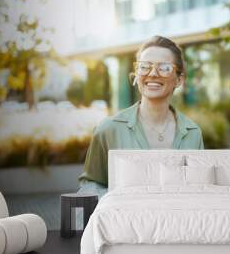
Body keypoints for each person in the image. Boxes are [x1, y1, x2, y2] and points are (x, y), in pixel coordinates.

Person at [78, 35, 204, 198]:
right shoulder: (108, 129)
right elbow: (90, 186)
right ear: (137, 74)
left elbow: (199, 188)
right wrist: (118, 201)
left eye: (164, 68)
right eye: (145, 66)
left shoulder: (193, 132)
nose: (152, 74)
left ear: (179, 79)